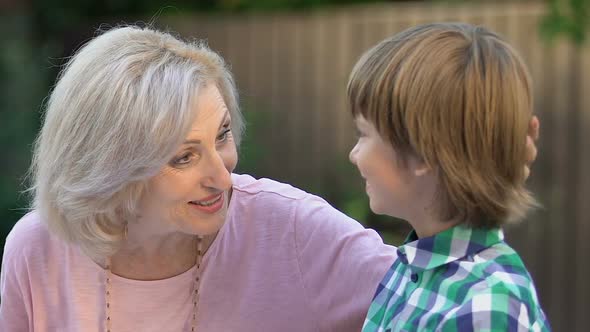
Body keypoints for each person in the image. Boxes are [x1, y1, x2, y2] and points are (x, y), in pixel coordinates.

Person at [0, 25, 539, 331]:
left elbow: (439, 287)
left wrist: (484, 161)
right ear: (110, 171)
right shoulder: (37, 251)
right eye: (183, 157)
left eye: (223, 135)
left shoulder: (290, 228)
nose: (222, 176)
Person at [346, 23, 550, 331]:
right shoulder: (413, 268)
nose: (354, 154)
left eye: (363, 134)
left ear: (423, 151)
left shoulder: (484, 307)